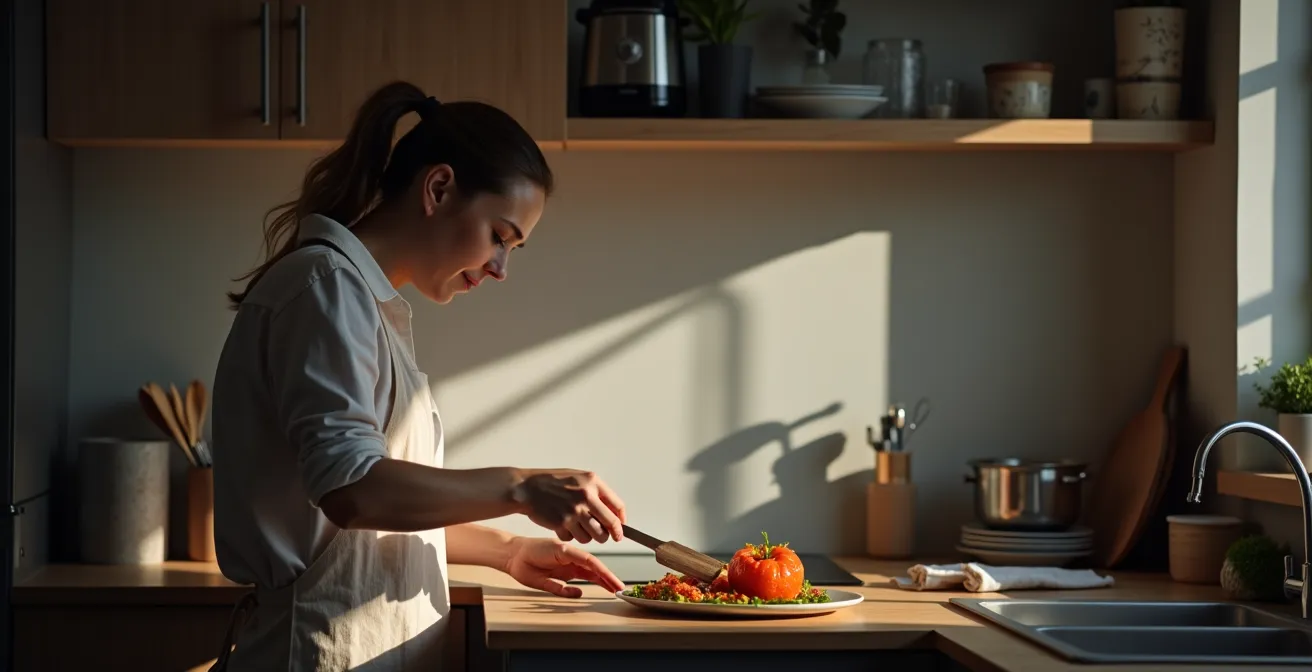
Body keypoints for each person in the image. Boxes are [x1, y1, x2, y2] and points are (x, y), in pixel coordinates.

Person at [208, 80, 628, 671]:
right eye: (500, 236)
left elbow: (367, 527)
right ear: (438, 188)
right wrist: (520, 487)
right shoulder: (325, 289)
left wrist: (506, 550)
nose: (501, 268)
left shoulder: (361, 301)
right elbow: (353, 491)